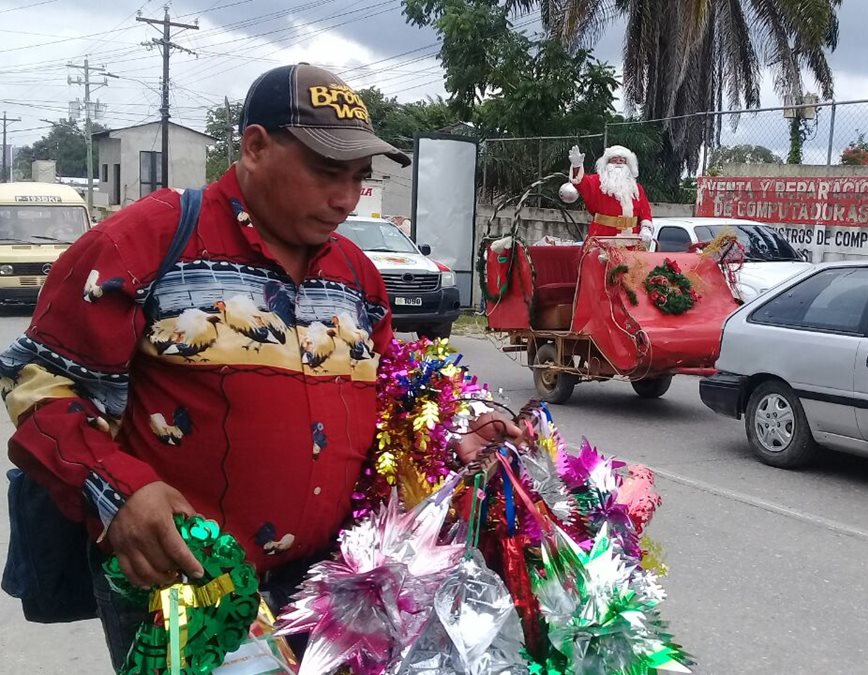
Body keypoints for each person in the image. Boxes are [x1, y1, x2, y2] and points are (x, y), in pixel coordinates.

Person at [1, 63, 518, 671]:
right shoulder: (145, 241)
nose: (346, 199)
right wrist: (123, 492)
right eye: (327, 173)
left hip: (330, 587)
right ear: (254, 146)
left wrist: (450, 435)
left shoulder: (356, 274)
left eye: (358, 178)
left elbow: (384, 398)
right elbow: (39, 386)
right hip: (191, 588)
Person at [567, 144, 655, 242]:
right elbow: (580, 182)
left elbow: (645, 212)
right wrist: (577, 166)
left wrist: (646, 228)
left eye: (622, 160)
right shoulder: (597, 182)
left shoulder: (636, 188)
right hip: (603, 241)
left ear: (628, 164)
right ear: (607, 163)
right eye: (614, 160)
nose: (618, 163)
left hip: (632, 242)